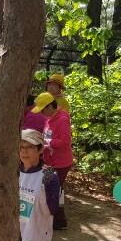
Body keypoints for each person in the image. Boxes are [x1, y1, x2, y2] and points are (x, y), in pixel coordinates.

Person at [42, 96, 73, 230]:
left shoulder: (62, 119)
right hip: (49, 161)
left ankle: (59, 220)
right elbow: (47, 135)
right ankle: (54, 218)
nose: (41, 113)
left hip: (60, 163)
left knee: (54, 188)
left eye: (43, 110)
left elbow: (65, 142)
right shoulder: (49, 118)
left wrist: (48, 143)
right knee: (48, 187)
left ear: (49, 107)